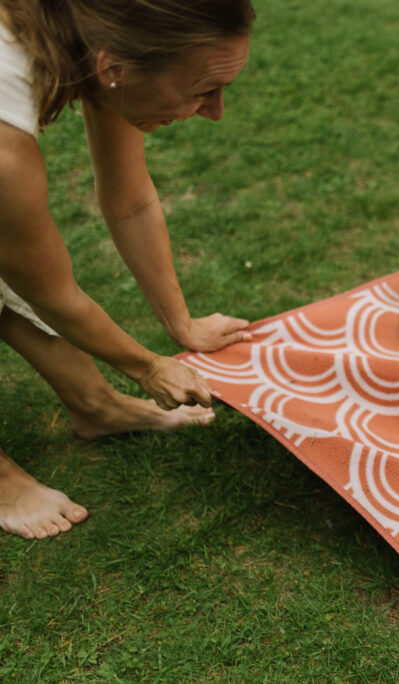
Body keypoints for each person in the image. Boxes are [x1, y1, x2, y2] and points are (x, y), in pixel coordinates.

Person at [0, 0, 257, 539]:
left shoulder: (95, 37)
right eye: (201, 90)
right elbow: (51, 293)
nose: (215, 112)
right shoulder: (4, 147)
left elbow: (130, 201)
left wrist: (180, 325)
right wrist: (149, 367)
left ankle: (95, 408)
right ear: (115, 70)